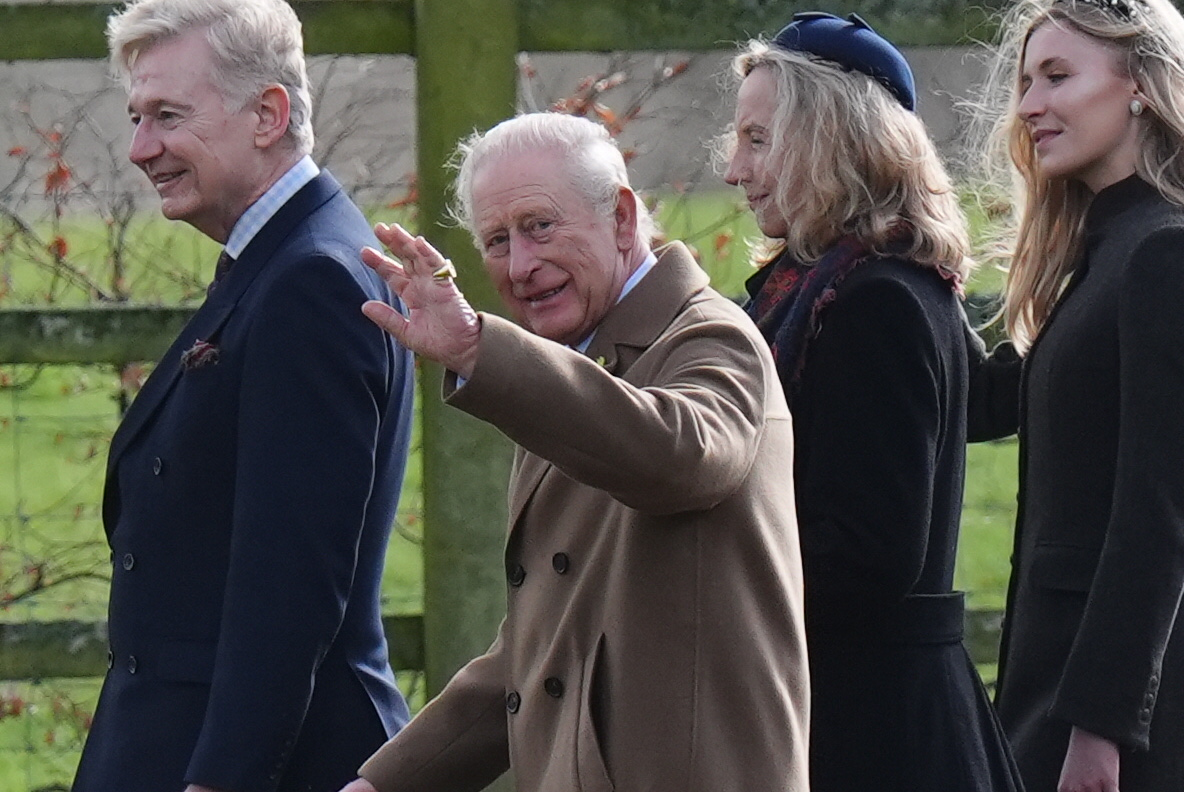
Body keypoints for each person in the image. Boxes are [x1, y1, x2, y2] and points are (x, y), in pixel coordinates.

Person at [337, 111, 810, 792]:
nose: (521, 266)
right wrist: (384, 784)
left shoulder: (709, 337)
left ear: (621, 217)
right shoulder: (568, 367)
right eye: (496, 241)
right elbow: (538, 649)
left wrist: (483, 350)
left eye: (540, 226)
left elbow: (681, 458)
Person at [72, 1, 414, 790]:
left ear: (268, 114)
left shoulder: (311, 281)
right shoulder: (280, 263)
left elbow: (289, 590)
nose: (139, 148)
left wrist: (222, 778)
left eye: (166, 115)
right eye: (135, 117)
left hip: (248, 761)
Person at [722, 12, 1024, 792]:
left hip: (874, 734)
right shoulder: (832, 289)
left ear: (830, 137)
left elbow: (867, 558)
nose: (733, 167)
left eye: (758, 139)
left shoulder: (873, 302)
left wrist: (702, 575)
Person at [971, 0, 1184, 789]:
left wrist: (1101, 728)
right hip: (1051, 685)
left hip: (1107, 715)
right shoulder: (1102, 254)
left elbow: (1156, 517)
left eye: (1057, 76)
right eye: (1026, 82)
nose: (1028, 105)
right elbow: (991, 400)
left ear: (1139, 87)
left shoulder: (1162, 252)